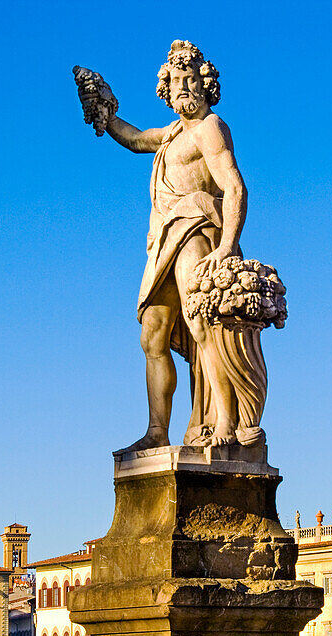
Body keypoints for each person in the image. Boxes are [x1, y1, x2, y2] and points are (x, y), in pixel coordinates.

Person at [86, 41, 249, 451]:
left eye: (190, 79)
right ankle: (157, 432)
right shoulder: (175, 132)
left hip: (195, 230)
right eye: (176, 81)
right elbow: (138, 139)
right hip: (164, 238)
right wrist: (105, 112)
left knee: (201, 327)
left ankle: (224, 419)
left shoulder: (210, 128)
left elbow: (233, 185)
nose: (182, 87)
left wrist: (229, 244)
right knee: (153, 334)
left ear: (204, 84)